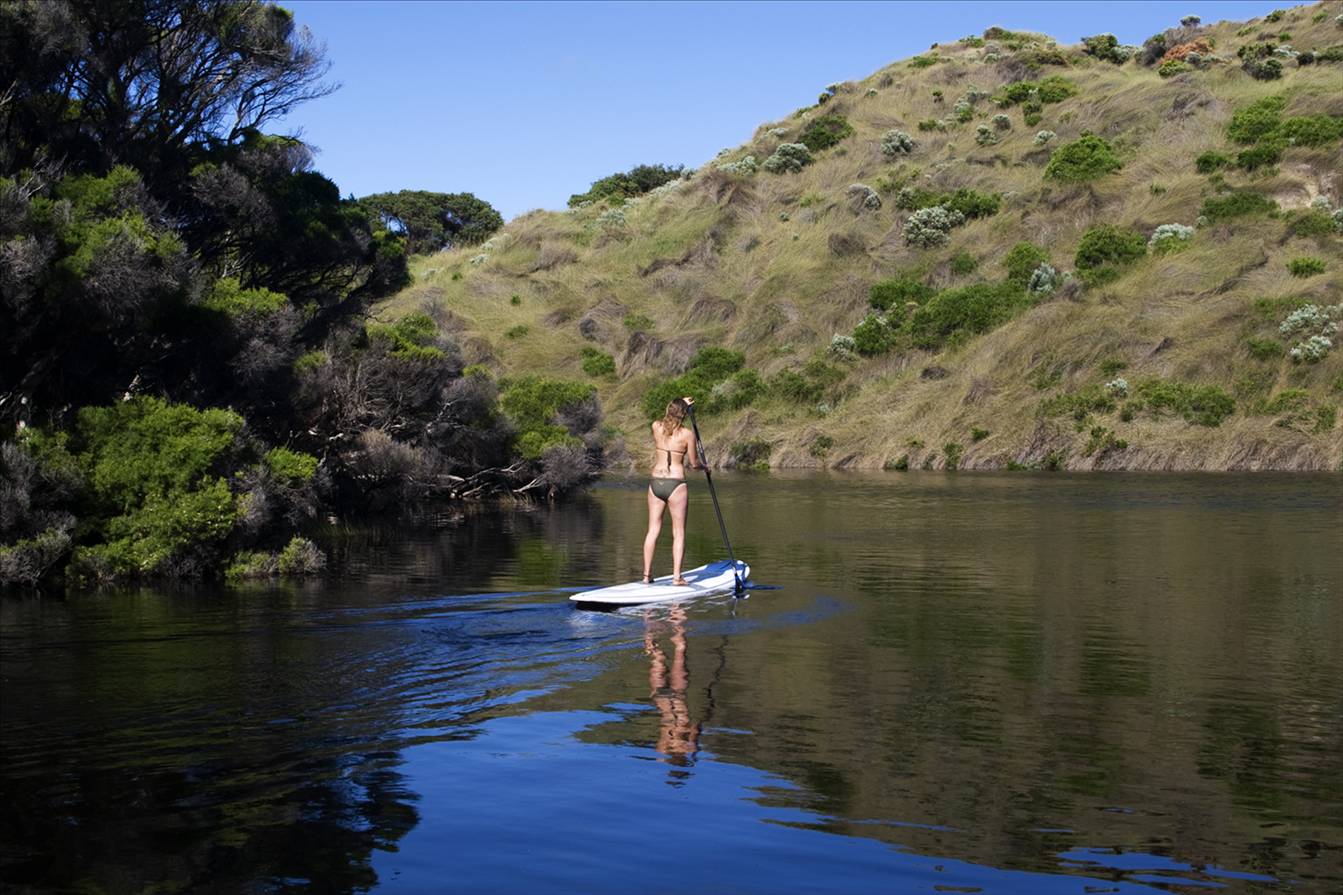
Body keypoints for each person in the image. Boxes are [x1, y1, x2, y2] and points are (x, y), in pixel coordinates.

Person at [643, 396, 701, 585]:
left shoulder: (656, 427)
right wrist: (705, 467)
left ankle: (646, 576)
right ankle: (677, 577)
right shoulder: (687, 435)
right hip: (675, 484)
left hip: (656, 482)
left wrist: (680, 403)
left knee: (653, 530)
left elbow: (667, 419)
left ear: (668, 410)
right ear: (684, 414)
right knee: (679, 532)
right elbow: (694, 464)